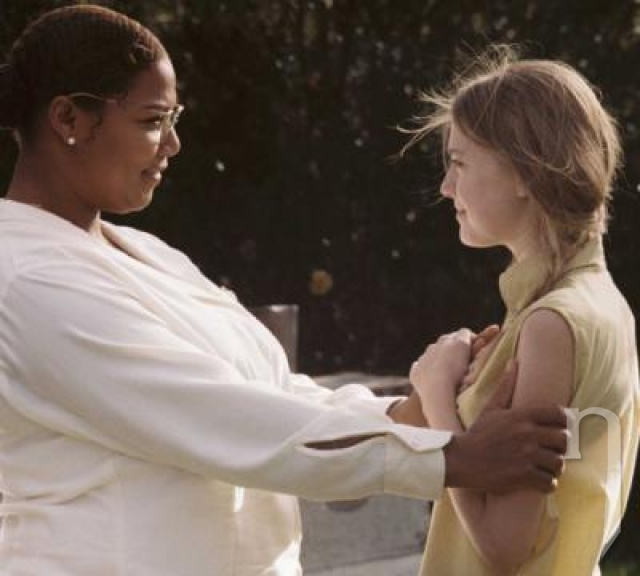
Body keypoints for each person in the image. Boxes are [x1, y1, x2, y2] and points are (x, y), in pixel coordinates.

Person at [0, 7, 568, 575]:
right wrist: (453, 458)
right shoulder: (25, 281)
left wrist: (412, 410)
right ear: (69, 118)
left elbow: (273, 392)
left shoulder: (144, 252)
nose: (173, 144)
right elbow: (226, 420)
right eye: (152, 120)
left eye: (174, 119)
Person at [405, 46, 640, 576]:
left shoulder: (551, 323)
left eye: (459, 162)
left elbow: (505, 545)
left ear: (525, 172)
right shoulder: (599, 304)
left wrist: (437, 393)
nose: (446, 187)